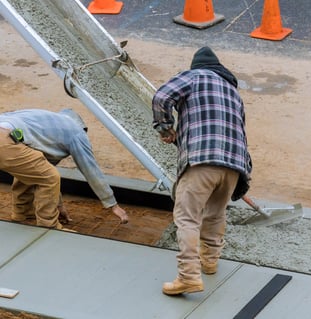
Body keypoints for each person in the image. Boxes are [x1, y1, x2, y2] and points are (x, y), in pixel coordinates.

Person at [152, 47, 252, 295]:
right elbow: (240, 131)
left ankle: (188, 276)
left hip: (202, 160)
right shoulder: (233, 94)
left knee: (187, 217)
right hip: (234, 166)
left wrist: (166, 128)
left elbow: (162, 97)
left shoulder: (194, 76)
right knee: (215, 214)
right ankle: (209, 262)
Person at [0, 108, 128, 230]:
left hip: (6, 133)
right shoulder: (76, 132)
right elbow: (91, 170)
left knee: (33, 171)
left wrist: (58, 204)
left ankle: (22, 213)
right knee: (50, 177)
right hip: (5, 139)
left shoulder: (45, 124)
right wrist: (113, 204)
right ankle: (48, 225)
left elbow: (38, 170)